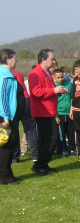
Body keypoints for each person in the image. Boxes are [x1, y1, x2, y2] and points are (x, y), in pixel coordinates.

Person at [28, 49, 68, 176]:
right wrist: (54, 91)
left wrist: (59, 90)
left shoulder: (46, 72)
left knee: (45, 139)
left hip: (48, 110)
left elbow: (48, 89)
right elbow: (36, 92)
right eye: (51, 58)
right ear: (43, 59)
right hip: (42, 111)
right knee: (52, 137)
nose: (53, 60)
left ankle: (42, 165)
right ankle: (40, 165)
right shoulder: (35, 73)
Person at [0, 49, 22, 185]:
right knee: (6, 147)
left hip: (10, 115)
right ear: (7, 59)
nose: (16, 60)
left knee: (9, 146)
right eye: (14, 57)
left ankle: (7, 174)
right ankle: (5, 177)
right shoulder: (3, 75)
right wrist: (5, 117)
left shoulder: (8, 74)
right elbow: (2, 97)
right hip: (6, 117)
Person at [11, 69, 38, 163]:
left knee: (14, 131)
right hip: (26, 101)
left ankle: (15, 157)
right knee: (30, 130)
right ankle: (35, 155)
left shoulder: (6, 74)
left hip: (15, 103)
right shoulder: (18, 74)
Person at [53, 69, 74, 158]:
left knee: (71, 132)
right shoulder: (54, 87)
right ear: (54, 78)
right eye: (58, 78)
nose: (60, 79)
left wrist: (71, 110)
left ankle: (72, 149)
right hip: (60, 112)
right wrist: (56, 116)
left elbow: (72, 97)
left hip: (69, 112)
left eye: (62, 77)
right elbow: (53, 102)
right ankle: (63, 149)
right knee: (61, 132)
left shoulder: (68, 84)